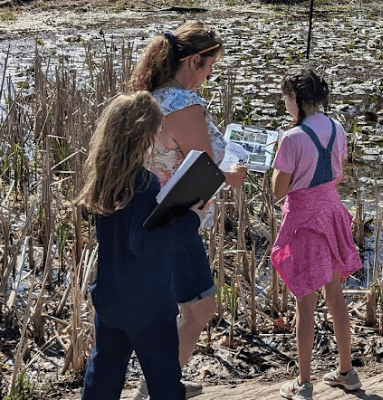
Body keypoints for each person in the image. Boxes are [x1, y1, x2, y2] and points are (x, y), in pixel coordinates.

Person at [127, 21, 247, 399]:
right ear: (194, 60)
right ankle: (156, 388)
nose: (210, 75)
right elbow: (204, 172)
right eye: (210, 66)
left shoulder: (150, 97)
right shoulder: (185, 104)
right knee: (200, 309)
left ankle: (161, 380)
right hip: (175, 222)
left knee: (169, 309)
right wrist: (233, 175)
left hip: (145, 217)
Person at [77, 92, 195, 400]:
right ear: (143, 135)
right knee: (165, 382)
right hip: (149, 305)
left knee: (103, 375)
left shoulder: (105, 180)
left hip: (109, 298)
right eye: (155, 131)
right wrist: (187, 217)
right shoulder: (144, 184)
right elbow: (144, 245)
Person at [269, 69, 364, 400]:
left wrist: (275, 165)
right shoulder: (337, 127)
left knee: (305, 303)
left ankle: (304, 382)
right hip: (333, 212)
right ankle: (346, 371)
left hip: (304, 221)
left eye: (285, 99)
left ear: (294, 99)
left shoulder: (291, 138)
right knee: (335, 297)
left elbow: (280, 189)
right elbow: (337, 172)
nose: (284, 106)